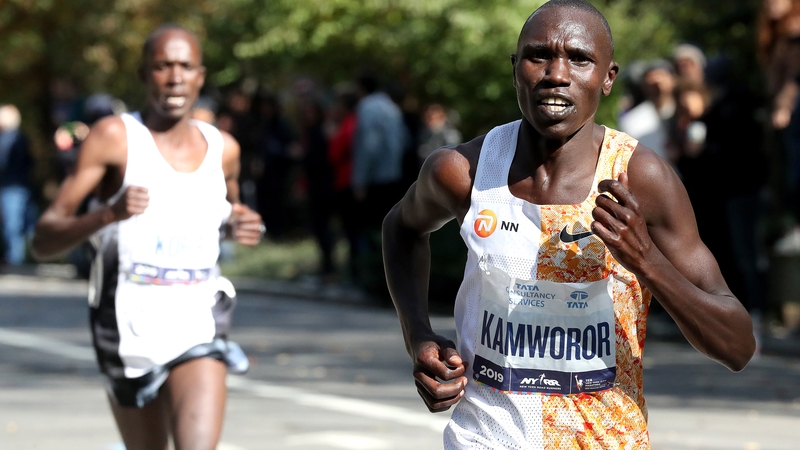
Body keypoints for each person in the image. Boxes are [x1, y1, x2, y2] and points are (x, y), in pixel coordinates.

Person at [381, 1, 757, 447]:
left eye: (579, 59)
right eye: (538, 55)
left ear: (608, 78)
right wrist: (418, 336)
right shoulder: (466, 171)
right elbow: (401, 229)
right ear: (515, 68)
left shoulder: (640, 178)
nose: (556, 74)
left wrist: (646, 261)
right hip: (485, 438)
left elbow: (737, 346)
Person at [30, 24, 263, 450]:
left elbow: (230, 213)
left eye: (186, 67)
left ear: (200, 76)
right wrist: (109, 214)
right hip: (127, 328)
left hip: (198, 323)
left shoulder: (224, 148)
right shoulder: (114, 138)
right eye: (162, 66)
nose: (175, 78)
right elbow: (43, 240)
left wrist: (237, 226)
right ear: (143, 75)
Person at [0, 104, 34, 267]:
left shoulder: (15, 139)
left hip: (14, 185)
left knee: (13, 224)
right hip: (11, 184)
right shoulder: (10, 138)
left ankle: (15, 258)